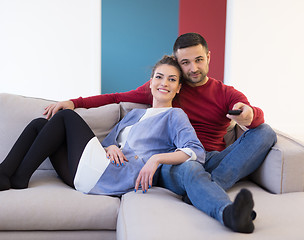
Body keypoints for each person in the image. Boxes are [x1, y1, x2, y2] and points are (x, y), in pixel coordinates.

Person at [43, 33, 277, 233]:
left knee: (265, 132)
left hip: (214, 158)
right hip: (174, 160)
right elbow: (115, 97)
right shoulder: (168, 87)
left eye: (198, 60)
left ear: (208, 57)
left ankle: (201, 189)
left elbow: (249, 112)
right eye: (185, 63)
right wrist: (74, 102)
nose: (193, 68)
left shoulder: (225, 92)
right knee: (190, 168)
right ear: (177, 62)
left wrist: (248, 115)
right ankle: (227, 212)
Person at [0, 55, 205, 199]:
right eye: (159, 77)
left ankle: (13, 176)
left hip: (110, 177)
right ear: (150, 82)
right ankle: (11, 177)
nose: (164, 83)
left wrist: (156, 160)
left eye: (172, 79)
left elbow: (196, 151)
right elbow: (106, 143)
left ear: (178, 88)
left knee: (67, 117)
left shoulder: (175, 115)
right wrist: (110, 146)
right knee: (40, 124)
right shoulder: (135, 115)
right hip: (88, 173)